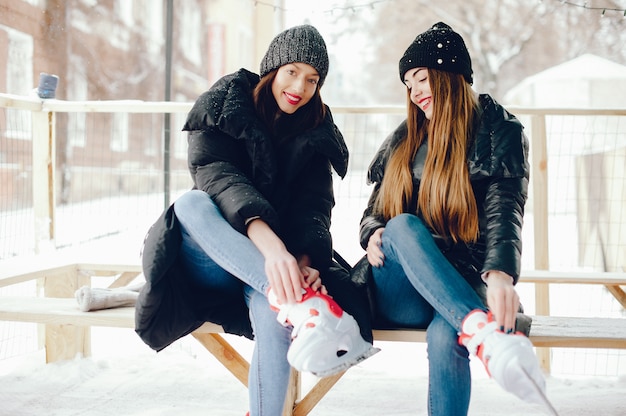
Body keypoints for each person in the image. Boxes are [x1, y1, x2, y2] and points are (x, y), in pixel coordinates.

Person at [134, 24, 377, 416]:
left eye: (313, 79)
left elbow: (313, 208)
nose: (300, 86)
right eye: (292, 71)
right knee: (192, 205)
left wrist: (304, 262)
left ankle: (292, 309)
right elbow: (219, 180)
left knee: (276, 315)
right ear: (273, 69)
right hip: (213, 261)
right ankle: (299, 303)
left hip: (269, 274)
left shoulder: (316, 131)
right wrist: (274, 250)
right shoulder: (225, 106)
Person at [357, 22, 549, 415]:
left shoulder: (497, 132)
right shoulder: (404, 139)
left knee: (449, 335)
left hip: (461, 280)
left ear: (451, 76)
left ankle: (473, 326)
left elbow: (505, 210)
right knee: (401, 225)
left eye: (422, 79)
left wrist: (500, 275)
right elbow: (376, 213)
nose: (415, 93)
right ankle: (487, 336)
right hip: (399, 287)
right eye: (409, 84)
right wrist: (373, 231)